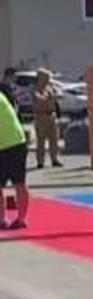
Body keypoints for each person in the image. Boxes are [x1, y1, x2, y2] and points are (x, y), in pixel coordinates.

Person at [0, 85, 27, 230]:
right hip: (6, 143)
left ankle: (21, 219)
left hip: (14, 143)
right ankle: (2, 218)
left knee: (19, 183)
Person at [31, 70, 62, 169]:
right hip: (41, 116)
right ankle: (40, 161)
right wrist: (49, 98)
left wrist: (53, 96)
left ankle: (55, 159)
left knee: (54, 139)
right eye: (46, 77)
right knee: (41, 140)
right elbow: (39, 99)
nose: (48, 79)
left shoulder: (50, 87)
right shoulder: (35, 88)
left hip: (51, 115)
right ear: (40, 77)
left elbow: (58, 95)